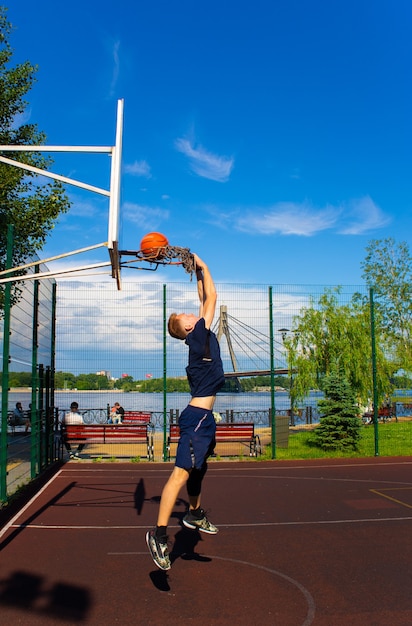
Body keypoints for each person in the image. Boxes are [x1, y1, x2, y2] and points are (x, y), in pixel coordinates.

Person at [146, 253, 225, 570]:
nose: (194, 311)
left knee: (199, 470)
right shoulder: (198, 337)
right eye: (189, 314)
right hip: (197, 419)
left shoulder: (199, 338)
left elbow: (203, 295)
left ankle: (194, 513)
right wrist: (201, 263)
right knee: (179, 475)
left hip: (203, 419)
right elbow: (213, 297)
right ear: (189, 326)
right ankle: (160, 536)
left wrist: (194, 273)